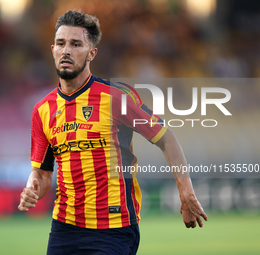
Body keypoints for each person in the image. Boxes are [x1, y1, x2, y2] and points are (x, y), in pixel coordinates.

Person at [18, 10, 208, 255]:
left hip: (114, 229)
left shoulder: (116, 97)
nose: (66, 50)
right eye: (61, 43)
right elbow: (42, 175)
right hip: (63, 229)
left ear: (91, 53)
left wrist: (187, 193)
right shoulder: (42, 109)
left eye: (76, 44)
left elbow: (167, 139)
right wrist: (32, 188)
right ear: (52, 49)